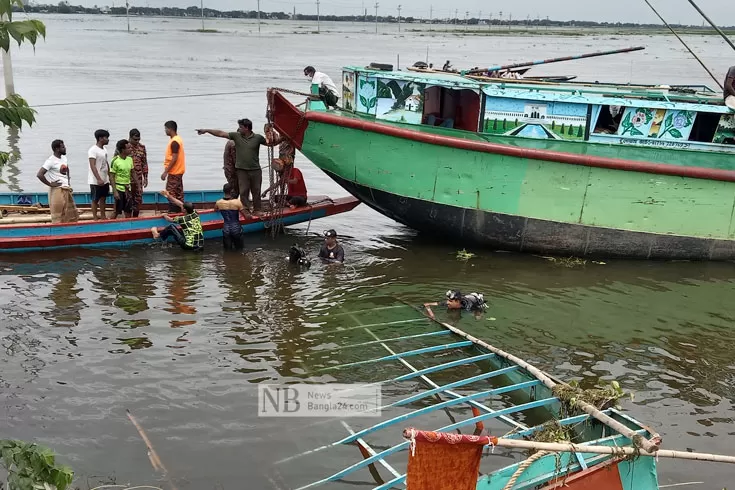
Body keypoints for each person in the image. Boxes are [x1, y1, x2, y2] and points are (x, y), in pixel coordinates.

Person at [196, 119, 277, 215]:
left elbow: (271, 144)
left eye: (241, 127)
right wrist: (206, 130)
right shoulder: (236, 136)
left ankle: (257, 210)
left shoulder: (258, 138)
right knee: (243, 192)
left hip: (255, 170)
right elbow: (221, 133)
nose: (239, 129)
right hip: (242, 170)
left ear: (247, 128)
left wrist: (283, 138)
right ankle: (245, 210)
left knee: (256, 191)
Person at [37, 139, 79, 224]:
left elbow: (67, 169)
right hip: (57, 189)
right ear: (57, 149)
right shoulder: (51, 161)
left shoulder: (64, 158)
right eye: (63, 147)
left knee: (70, 214)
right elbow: (40, 174)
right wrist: (50, 184)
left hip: (66, 188)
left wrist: (68, 182)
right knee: (59, 214)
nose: (65, 148)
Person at [161, 120, 186, 213]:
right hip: (179, 171)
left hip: (174, 172)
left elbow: (174, 158)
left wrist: (165, 172)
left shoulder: (174, 142)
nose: (165, 131)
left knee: (170, 193)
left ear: (170, 129)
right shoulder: (178, 139)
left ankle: (173, 211)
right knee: (178, 193)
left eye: (166, 129)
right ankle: (181, 210)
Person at [215, 183, 248, 251]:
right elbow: (247, 216)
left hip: (226, 229)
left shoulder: (218, 202)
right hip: (236, 229)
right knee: (239, 250)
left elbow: (215, 209)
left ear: (223, 191)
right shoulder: (237, 202)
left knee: (227, 250)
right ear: (232, 191)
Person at [109, 139, 137, 219]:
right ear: (123, 150)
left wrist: (137, 184)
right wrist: (115, 191)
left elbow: (133, 172)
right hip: (119, 188)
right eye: (128, 148)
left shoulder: (130, 159)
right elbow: (112, 176)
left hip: (128, 188)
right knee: (117, 211)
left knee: (128, 210)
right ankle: (109, 224)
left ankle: (128, 226)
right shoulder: (115, 161)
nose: (130, 149)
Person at [88, 129, 110, 220]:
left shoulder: (104, 149)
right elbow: (92, 165)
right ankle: (95, 218)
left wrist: (109, 176)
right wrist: (98, 178)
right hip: (95, 180)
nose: (108, 140)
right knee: (95, 199)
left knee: (103, 198)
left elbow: (106, 163)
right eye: (106, 138)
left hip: (105, 178)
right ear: (100, 138)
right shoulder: (93, 150)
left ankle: (103, 216)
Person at [424, 290, 488, 319]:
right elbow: (433, 304)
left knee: (478, 317)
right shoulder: (451, 302)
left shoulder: (468, 306)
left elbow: (477, 313)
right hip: (463, 299)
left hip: (475, 302)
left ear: (457, 302)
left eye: (450, 301)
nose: (448, 302)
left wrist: (478, 315)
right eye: (448, 300)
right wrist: (428, 306)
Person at [129, 128, 149, 217]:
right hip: (127, 178)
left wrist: (146, 177)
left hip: (138, 179)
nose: (137, 141)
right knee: (128, 200)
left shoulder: (142, 148)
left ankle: (135, 218)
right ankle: (128, 218)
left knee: (138, 199)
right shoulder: (124, 147)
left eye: (138, 139)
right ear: (130, 137)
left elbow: (144, 163)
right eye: (135, 139)